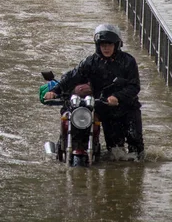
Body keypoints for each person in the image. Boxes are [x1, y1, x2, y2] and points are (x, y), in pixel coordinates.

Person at [44, 24, 145, 159]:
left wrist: (117, 97)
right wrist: (55, 91)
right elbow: (72, 76)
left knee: (135, 144)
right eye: (103, 44)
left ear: (116, 44)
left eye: (109, 44)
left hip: (127, 108)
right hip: (104, 107)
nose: (106, 48)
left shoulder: (128, 61)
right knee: (115, 151)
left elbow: (134, 86)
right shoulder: (90, 62)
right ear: (98, 45)